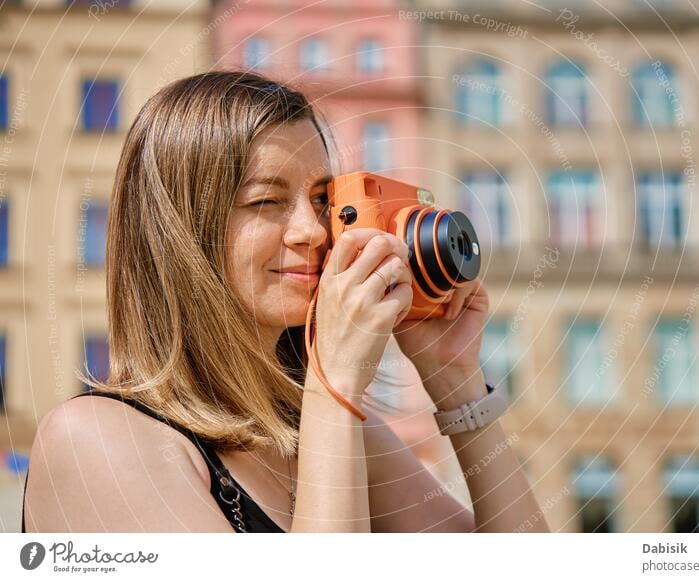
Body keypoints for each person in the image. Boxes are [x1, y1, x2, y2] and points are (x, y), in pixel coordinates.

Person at [21, 71, 550, 533]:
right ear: (179, 232)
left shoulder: (330, 425)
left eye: (322, 199)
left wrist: (455, 383)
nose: (313, 230)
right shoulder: (98, 443)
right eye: (266, 201)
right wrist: (335, 386)